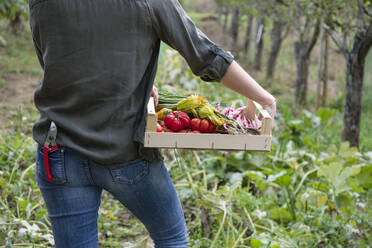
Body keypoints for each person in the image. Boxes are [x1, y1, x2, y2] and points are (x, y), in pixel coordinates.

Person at [29, 0, 276, 247]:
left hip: (59, 152)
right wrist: (264, 97)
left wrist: (131, 76)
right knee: (172, 238)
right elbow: (205, 55)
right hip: (123, 152)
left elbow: (59, 61)